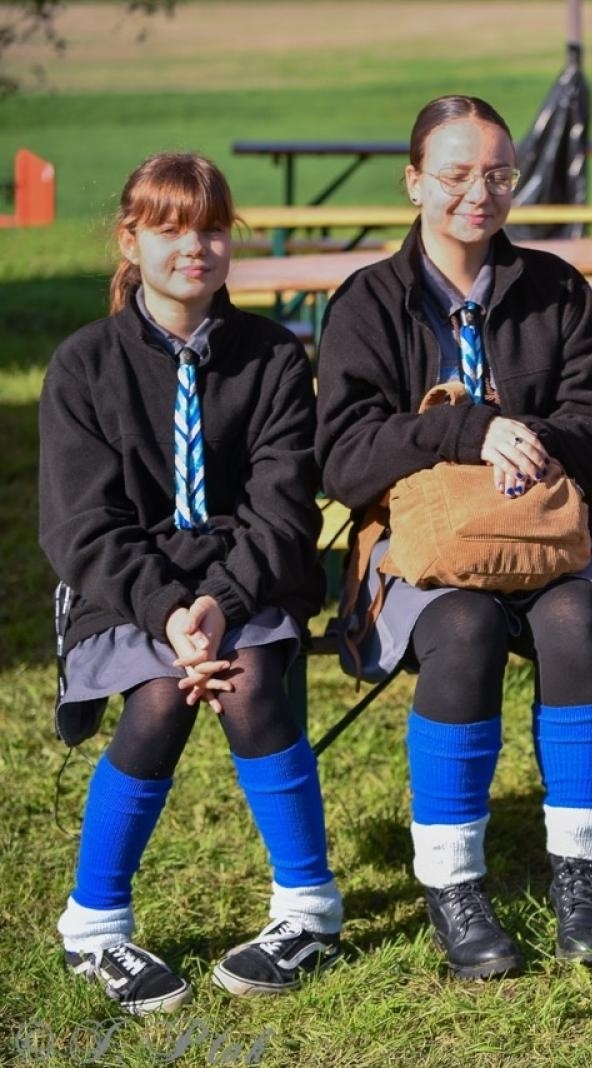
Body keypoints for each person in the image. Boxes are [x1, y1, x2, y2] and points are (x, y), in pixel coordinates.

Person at [315, 95, 592, 976]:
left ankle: (581, 874)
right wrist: (465, 430)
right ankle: (454, 887)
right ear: (414, 183)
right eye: (454, 175)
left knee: (575, 619)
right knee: (463, 626)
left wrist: (525, 449)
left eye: (497, 174)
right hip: (420, 553)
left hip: (543, 540)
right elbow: (340, 460)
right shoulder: (366, 303)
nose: (477, 194)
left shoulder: (556, 289)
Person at [39, 153, 343, 1014]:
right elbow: (80, 529)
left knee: (246, 683)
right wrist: (170, 610)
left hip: (247, 580)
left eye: (211, 228)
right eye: (171, 229)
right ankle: (94, 927)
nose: (195, 248)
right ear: (131, 240)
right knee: (164, 694)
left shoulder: (277, 356)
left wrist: (222, 603)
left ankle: (310, 910)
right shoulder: (82, 365)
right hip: (124, 584)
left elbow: (285, 512)